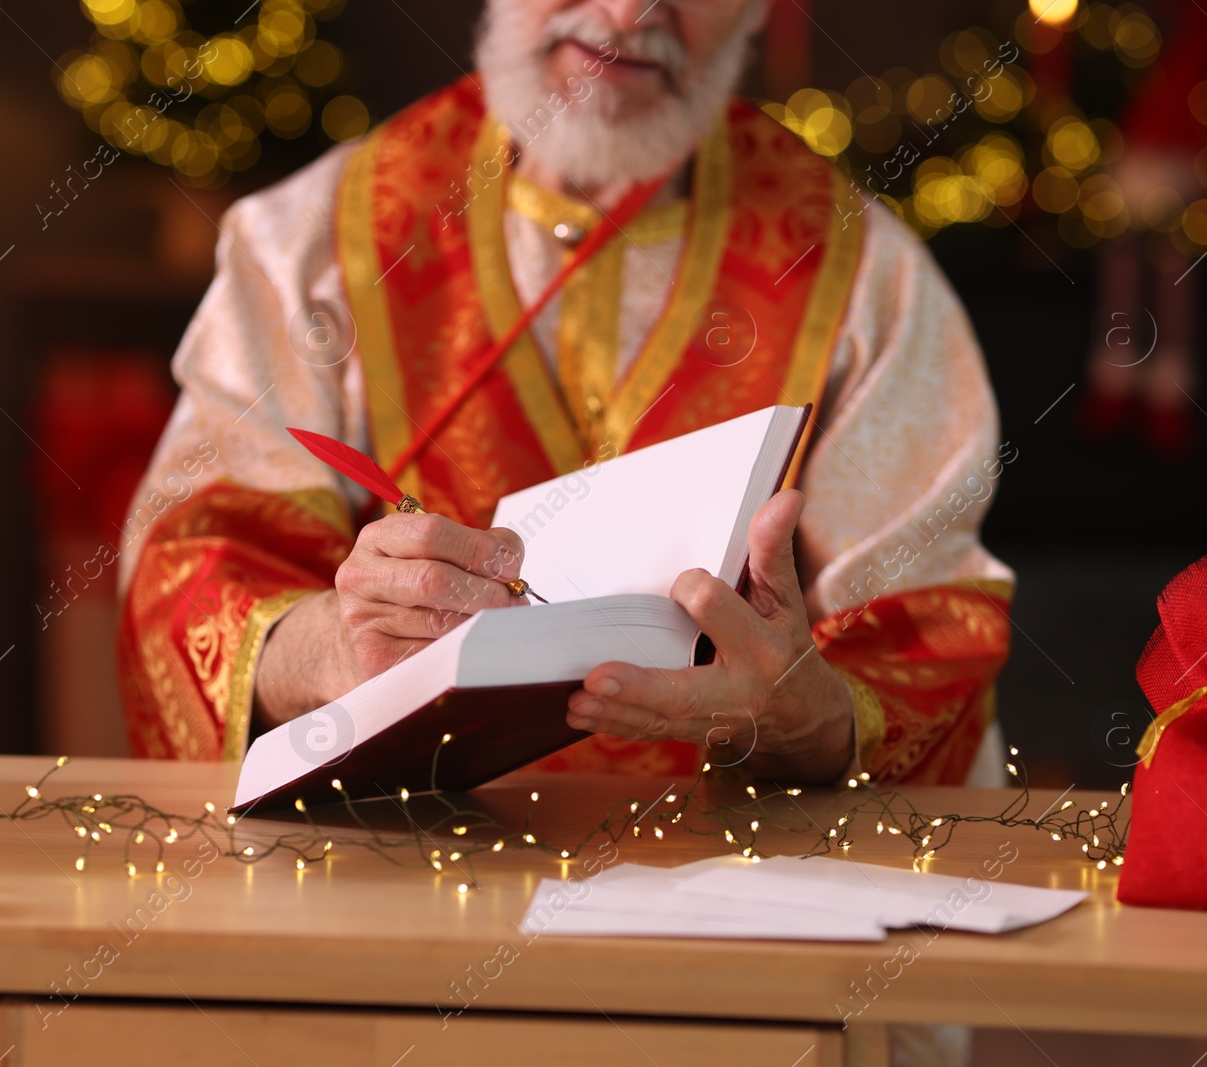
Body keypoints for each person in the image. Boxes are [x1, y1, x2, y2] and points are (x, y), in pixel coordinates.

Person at [116, 0, 1015, 790]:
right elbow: (191, 566)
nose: (629, 15)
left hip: (733, 916)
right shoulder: (307, 244)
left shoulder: (865, 277)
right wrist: (327, 646)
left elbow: (929, 634)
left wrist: (808, 719)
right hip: (385, 894)